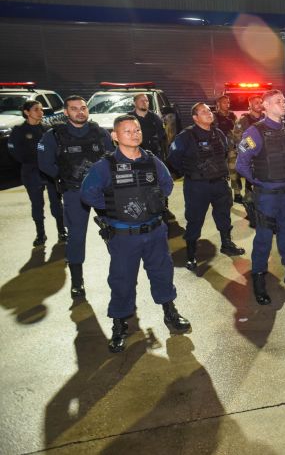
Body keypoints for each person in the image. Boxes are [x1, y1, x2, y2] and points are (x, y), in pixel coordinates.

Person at [80, 114, 190, 353]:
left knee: (162, 273)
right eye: (127, 131)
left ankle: (170, 312)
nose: (134, 134)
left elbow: (167, 184)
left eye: (137, 130)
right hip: (123, 236)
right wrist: (113, 209)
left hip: (155, 231)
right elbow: (88, 194)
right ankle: (120, 324)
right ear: (115, 136)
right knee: (122, 280)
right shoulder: (105, 166)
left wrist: (153, 200)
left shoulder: (151, 161)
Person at [236, 89, 285, 305]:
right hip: (266, 196)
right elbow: (240, 164)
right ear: (266, 106)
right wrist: (259, 182)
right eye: (278, 101)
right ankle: (259, 278)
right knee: (263, 239)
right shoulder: (253, 133)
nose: (283, 104)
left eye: (283, 101)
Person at [38, 95, 114, 298]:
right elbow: (44, 163)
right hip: (74, 192)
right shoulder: (54, 135)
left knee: (115, 232)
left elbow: (112, 158)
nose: (80, 112)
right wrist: (62, 178)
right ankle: (77, 282)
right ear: (65, 112)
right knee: (76, 237)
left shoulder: (100, 133)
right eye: (74, 109)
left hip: (101, 192)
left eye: (83, 108)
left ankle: (120, 274)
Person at [167, 103, 246, 272]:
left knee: (224, 216)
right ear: (195, 118)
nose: (208, 113)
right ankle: (191, 253)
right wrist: (188, 172)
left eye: (209, 111)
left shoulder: (218, 133)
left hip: (219, 184)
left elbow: (224, 152)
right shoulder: (185, 136)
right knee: (195, 220)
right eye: (203, 112)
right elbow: (173, 158)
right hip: (197, 186)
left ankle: (227, 244)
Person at [8, 99, 66, 246]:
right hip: (31, 172)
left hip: (49, 172)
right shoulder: (19, 130)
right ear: (27, 112)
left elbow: (57, 150)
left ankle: (62, 231)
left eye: (41, 109)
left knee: (57, 204)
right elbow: (14, 151)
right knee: (37, 204)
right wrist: (32, 161)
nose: (41, 112)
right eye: (36, 109)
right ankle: (41, 234)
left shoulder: (47, 129)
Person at [231, 96, 266, 212]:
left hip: (265, 159)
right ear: (250, 106)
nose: (259, 104)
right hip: (251, 160)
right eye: (256, 103)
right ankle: (251, 211)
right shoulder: (243, 121)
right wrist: (253, 143)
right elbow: (238, 140)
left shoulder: (266, 118)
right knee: (251, 188)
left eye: (261, 102)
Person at [213, 95, 239, 202]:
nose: (227, 104)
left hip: (231, 148)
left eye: (228, 102)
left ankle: (237, 194)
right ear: (218, 104)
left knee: (234, 171)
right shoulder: (213, 116)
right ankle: (221, 195)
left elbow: (237, 130)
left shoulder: (232, 115)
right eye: (224, 102)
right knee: (219, 173)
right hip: (218, 149)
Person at [128, 93, 167, 160]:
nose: (144, 103)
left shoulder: (155, 117)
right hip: (134, 155)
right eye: (141, 100)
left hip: (154, 155)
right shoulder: (128, 118)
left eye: (146, 101)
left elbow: (162, 134)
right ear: (134, 103)